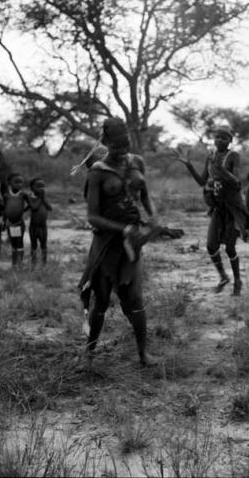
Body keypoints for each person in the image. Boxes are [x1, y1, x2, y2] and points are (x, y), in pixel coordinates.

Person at [78, 117, 158, 367]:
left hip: (131, 244)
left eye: (127, 144)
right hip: (106, 243)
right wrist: (121, 229)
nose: (123, 150)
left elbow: (145, 196)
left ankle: (143, 353)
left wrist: (153, 218)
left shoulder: (137, 162)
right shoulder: (97, 172)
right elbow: (92, 216)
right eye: (117, 145)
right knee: (100, 300)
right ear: (106, 142)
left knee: (134, 299)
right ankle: (90, 352)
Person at [174, 126, 249, 296]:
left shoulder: (233, 156)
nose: (219, 140)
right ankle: (223, 277)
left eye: (224, 138)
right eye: (217, 137)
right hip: (217, 207)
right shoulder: (211, 157)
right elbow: (202, 181)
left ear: (230, 141)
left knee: (230, 248)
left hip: (232, 207)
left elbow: (236, 183)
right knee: (210, 246)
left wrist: (221, 170)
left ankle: (237, 281)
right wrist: (189, 165)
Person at [3, 173, 29, 269]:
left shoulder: (23, 195)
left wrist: (23, 210)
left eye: (21, 182)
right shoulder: (6, 195)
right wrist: (4, 221)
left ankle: (20, 263)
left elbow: (31, 204)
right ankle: (14, 264)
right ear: (9, 183)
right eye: (16, 182)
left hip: (19, 224)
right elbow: (5, 209)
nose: (19, 185)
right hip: (10, 224)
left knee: (19, 242)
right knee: (13, 244)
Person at [28, 178, 52, 268]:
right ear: (31, 188)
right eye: (38, 186)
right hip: (33, 226)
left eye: (43, 186)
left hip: (43, 226)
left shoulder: (44, 197)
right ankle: (33, 264)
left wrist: (44, 198)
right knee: (34, 245)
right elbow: (34, 207)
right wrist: (41, 198)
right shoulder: (30, 197)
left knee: (44, 245)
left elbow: (50, 208)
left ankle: (44, 264)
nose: (41, 188)